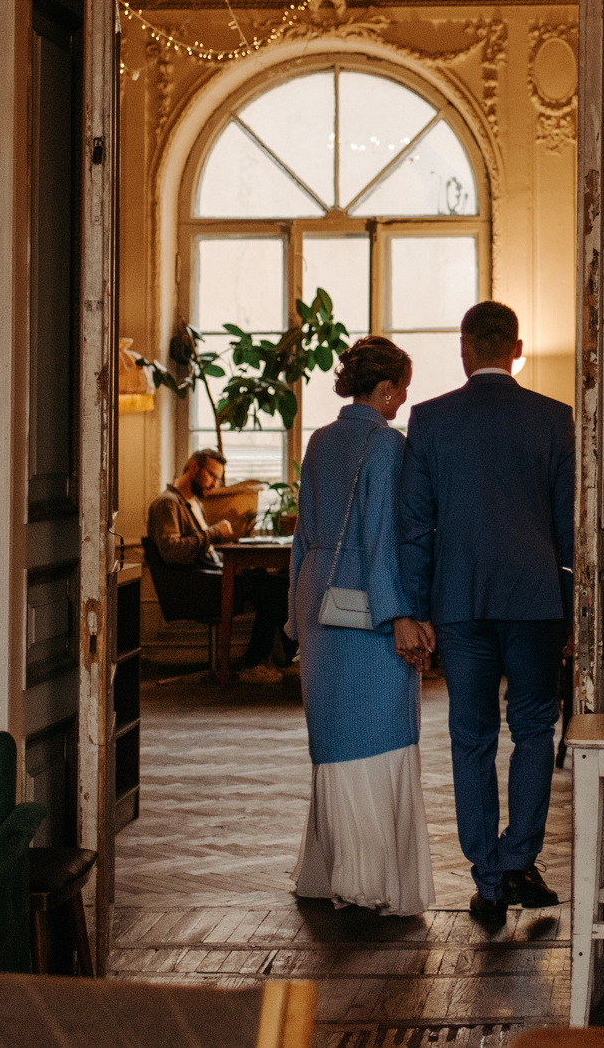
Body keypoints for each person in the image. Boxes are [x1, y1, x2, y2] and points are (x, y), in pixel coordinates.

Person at [396, 301, 575, 926]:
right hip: (536, 601)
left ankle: (489, 878)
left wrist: (414, 608)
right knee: (533, 729)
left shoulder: (430, 419)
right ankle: (520, 856)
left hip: (460, 601)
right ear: (516, 349)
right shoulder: (555, 418)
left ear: (465, 348)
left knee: (471, 737)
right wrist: (574, 610)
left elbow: (415, 527)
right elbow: (570, 527)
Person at [289, 336, 434, 916]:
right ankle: (371, 881)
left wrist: (295, 614)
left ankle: (332, 872)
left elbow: (302, 534)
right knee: (378, 733)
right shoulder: (387, 444)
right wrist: (399, 615)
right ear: (386, 388)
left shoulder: (320, 440)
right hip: (367, 610)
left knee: (335, 738)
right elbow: (382, 537)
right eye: (402, 388)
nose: (404, 400)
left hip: (317, 603)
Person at [146, 449, 290, 682]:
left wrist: (240, 565)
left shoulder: (194, 503)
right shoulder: (168, 504)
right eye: (212, 476)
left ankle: (277, 659)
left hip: (211, 577)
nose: (214, 485)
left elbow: (204, 550)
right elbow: (172, 552)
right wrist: (214, 533)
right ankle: (255, 663)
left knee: (282, 582)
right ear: (194, 468)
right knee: (278, 592)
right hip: (195, 587)